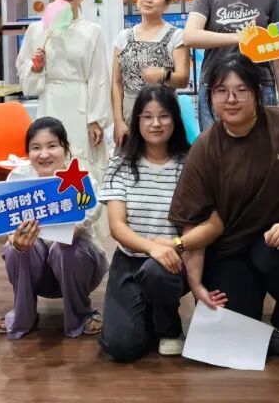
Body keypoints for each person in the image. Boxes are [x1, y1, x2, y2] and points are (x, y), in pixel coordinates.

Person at [169, 53, 279, 356]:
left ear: (256, 93)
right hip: (230, 248)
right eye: (221, 91)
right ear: (210, 96)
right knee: (231, 325)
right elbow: (191, 218)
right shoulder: (205, 146)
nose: (231, 99)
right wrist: (196, 284)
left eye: (241, 90)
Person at [99, 85, 191, 361]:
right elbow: (117, 226)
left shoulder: (189, 164)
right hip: (130, 259)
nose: (155, 123)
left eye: (163, 116)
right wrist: (152, 247)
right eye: (147, 116)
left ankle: (169, 328)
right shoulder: (121, 165)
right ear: (136, 120)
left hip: (174, 260)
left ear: (175, 119)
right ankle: (149, 312)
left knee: (156, 272)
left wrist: (171, 248)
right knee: (120, 346)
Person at [0, 117, 107, 340]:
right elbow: (8, 226)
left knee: (65, 246)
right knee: (15, 249)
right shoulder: (18, 178)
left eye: (52, 146)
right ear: (28, 152)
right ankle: (23, 315)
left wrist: (72, 228)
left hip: (79, 268)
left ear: (65, 149)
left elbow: (88, 214)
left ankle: (81, 314)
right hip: (38, 273)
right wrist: (15, 240)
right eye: (36, 148)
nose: (44, 154)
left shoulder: (82, 179)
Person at [17, 0, 111, 185]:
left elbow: (99, 77)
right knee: (50, 154)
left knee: (80, 163)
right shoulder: (35, 30)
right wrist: (36, 68)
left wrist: (96, 120)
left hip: (81, 105)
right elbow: (27, 82)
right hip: (49, 101)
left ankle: (86, 206)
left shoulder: (92, 31)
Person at [183, 0, 279, 131]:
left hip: (259, 82)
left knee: (262, 143)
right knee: (217, 146)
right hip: (216, 83)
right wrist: (240, 37)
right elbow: (190, 36)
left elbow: (278, 44)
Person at [111, 0, 189, 146]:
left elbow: (183, 80)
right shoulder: (122, 37)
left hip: (163, 111)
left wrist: (162, 74)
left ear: (167, 3)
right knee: (130, 158)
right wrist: (118, 120)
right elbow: (116, 83)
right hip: (130, 112)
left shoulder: (177, 36)